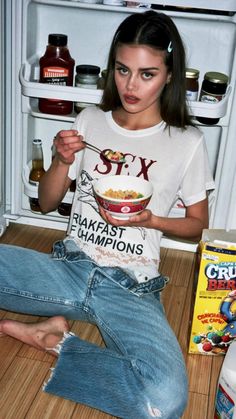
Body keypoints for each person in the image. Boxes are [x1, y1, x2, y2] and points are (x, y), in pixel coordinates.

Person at [0, 10, 214, 419]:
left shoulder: (187, 141)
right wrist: (61, 162)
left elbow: (196, 225)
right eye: (122, 70)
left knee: (164, 401)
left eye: (147, 74)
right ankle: (56, 318)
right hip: (69, 266)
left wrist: (151, 220)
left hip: (130, 285)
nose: (131, 86)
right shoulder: (90, 120)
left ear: (169, 75)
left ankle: (57, 340)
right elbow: (45, 203)